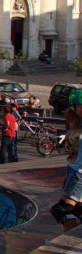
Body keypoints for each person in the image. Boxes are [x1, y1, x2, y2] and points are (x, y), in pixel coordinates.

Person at [50, 89, 82, 232]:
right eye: (77, 106)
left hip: (79, 173)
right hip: (72, 170)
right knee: (73, 210)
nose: (79, 109)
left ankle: (69, 242)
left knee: (64, 211)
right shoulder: (76, 124)